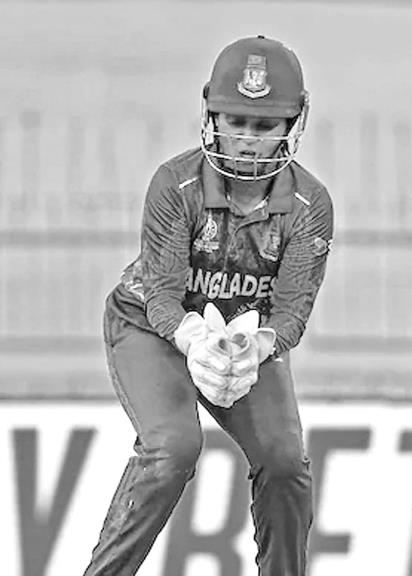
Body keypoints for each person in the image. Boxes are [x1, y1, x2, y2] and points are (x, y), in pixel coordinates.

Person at [83, 35, 333, 576]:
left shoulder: (310, 205)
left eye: (264, 126)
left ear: (293, 124)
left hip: (243, 338)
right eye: (234, 121)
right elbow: (163, 295)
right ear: (211, 115)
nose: (246, 141)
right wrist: (195, 340)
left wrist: (257, 346)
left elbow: (291, 313)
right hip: (150, 326)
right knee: (172, 449)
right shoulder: (176, 184)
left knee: (286, 463)